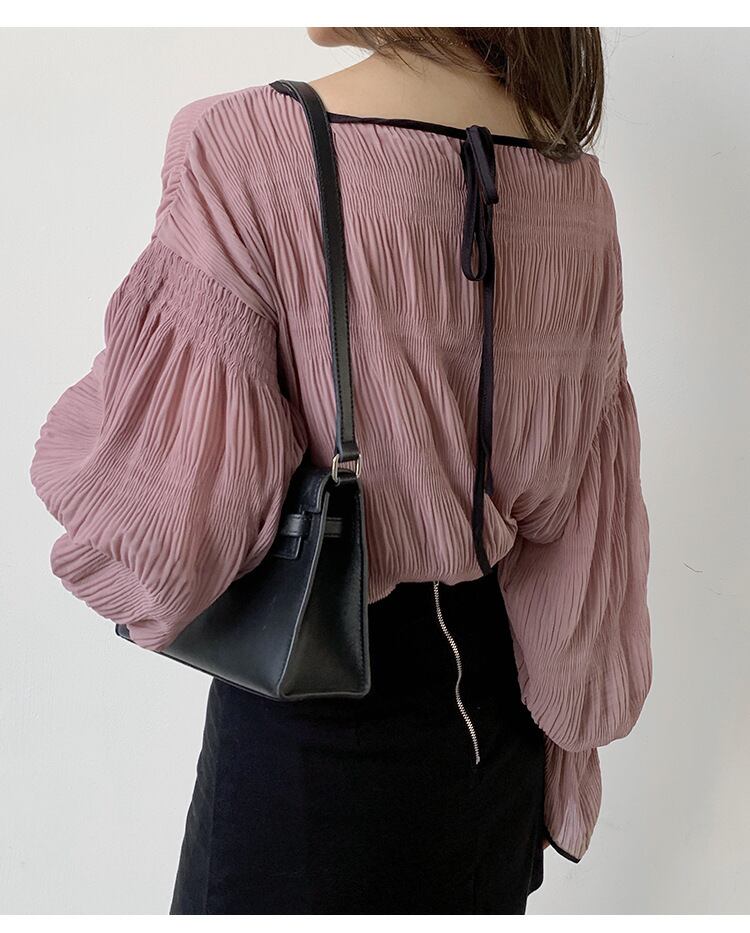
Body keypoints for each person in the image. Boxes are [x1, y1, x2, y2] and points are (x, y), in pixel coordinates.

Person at [29, 27, 652, 914]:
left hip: (314, 731)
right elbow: (585, 526)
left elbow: (173, 528)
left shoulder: (249, 147)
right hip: (498, 739)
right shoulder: (576, 189)